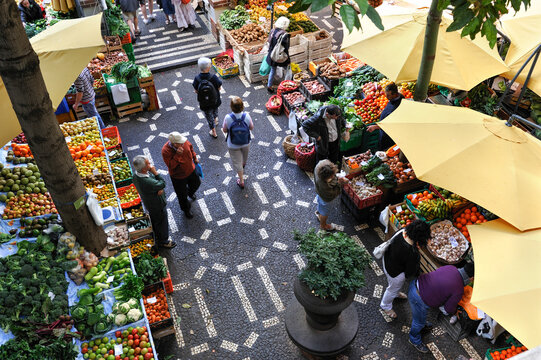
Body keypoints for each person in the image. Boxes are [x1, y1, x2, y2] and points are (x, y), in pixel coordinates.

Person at [408, 263, 475, 353]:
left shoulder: (451, 268)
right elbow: (448, 309)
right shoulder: (459, 289)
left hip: (415, 284)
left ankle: (422, 325)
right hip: (418, 298)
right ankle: (414, 340)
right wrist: (454, 311)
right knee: (418, 322)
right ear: (471, 278)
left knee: (421, 317)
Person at [380, 220, 431, 319]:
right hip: (395, 273)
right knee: (391, 289)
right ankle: (385, 306)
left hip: (387, 260)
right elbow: (409, 272)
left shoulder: (402, 231)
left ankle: (396, 293)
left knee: (393, 286)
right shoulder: (411, 252)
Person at [132, 156, 176, 249]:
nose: (150, 164)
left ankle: (157, 234)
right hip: (157, 204)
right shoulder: (148, 182)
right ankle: (164, 241)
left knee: (156, 220)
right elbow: (162, 183)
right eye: (148, 163)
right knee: (162, 222)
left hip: (149, 203)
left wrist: (157, 188)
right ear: (144, 169)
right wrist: (155, 173)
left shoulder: (136, 175)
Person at [161, 132, 200, 218]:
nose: (183, 143)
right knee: (182, 196)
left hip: (190, 170)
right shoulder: (165, 151)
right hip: (178, 177)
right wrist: (177, 155)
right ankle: (186, 210)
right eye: (180, 143)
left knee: (196, 183)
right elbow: (171, 166)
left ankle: (190, 193)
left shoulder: (184, 142)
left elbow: (191, 148)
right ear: (174, 144)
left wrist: (195, 157)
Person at [222, 96, 253, 189]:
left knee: (237, 162)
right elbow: (251, 127)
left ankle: (241, 181)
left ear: (231, 107)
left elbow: (224, 130)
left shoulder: (228, 117)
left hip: (233, 144)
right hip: (245, 142)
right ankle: (243, 163)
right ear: (242, 106)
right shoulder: (246, 116)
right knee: (244, 156)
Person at [366, 83, 404, 150]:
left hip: (388, 135)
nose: (386, 96)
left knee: (385, 149)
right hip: (384, 130)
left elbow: (389, 125)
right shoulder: (400, 97)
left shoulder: (395, 108)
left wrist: (375, 127)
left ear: (395, 94)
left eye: (388, 95)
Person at [314, 160, 348, 231]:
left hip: (318, 191)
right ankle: (323, 225)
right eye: (332, 176)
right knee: (324, 212)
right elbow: (332, 194)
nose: (333, 176)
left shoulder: (320, 165)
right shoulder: (324, 185)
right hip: (325, 198)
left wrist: (336, 178)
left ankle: (319, 212)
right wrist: (339, 183)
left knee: (320, 203)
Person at [193, 57, 222, 139]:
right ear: (209, 67)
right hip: (215, 100)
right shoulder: (213, 77)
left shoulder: (197, 78)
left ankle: (213, 132)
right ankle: (216, 120)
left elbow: (196, 90)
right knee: (215, 109)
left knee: (209, 116)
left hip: (204, 103)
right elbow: (219, 86)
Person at [265, 16, 291, 93]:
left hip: (272, 55)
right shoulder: (284, 35)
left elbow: (269, 42)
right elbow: (286, 48)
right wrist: (288, 59)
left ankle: (269, 86)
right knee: (288, 69)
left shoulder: (272, 31)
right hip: (280, 56)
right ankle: (286, 86)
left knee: (273, 70)